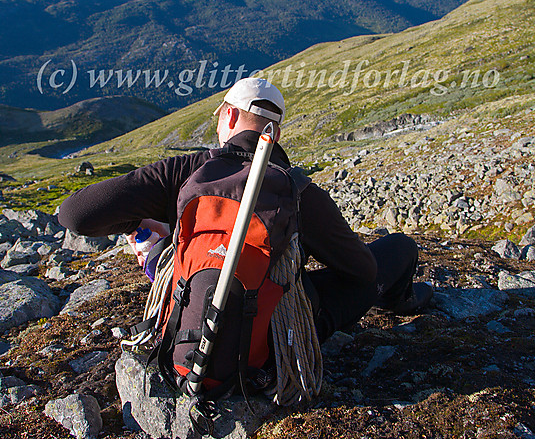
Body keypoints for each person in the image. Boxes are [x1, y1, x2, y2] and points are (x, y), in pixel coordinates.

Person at [58, 77, 433, 343]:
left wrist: (145, 224)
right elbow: (362, 271)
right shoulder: (298, 189)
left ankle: (159, 261)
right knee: (398, 247)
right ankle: (400, 301)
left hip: (185, 336)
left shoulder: (184, 172)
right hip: (275, 345)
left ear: (229, 118)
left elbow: (75, 215)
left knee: (177, 256)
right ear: (277, 135)